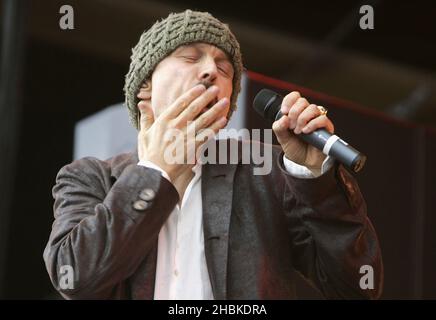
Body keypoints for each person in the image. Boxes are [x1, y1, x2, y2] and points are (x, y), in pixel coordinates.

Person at [43, 10, 383, 299]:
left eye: (224, 70)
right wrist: (155, 171)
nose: (210, 71)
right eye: (190, 57)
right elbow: (74, 276)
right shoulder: (90, 177)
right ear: (145, 85)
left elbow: (356, 288)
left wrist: (315, 180)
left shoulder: (270, 171)